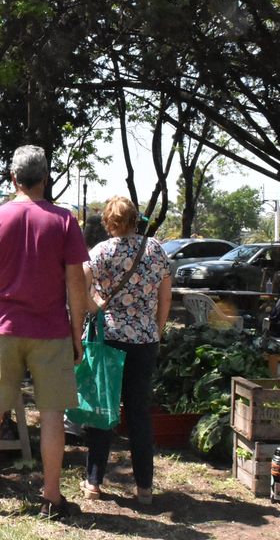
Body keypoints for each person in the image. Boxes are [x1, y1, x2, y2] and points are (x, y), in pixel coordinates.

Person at [0, 145, 88, 519]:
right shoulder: (64, 220)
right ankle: (51, 497)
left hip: (3, 330)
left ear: (13, 178)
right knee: (52, 414)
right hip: (51, 332)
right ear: (45, 178)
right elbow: (76, 284)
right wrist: (77, 334)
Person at [81, 196, 172, 506]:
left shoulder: (101, 252)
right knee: (139, 413)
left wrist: (94, 307)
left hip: (110, 339)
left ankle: (93, 482)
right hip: (144, 341)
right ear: (136, 219)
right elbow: (165, 297)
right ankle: (144, 488)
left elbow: (79, 282)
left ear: (109, 223)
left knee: (103, 411)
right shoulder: (156, 250)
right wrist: (156, 330)